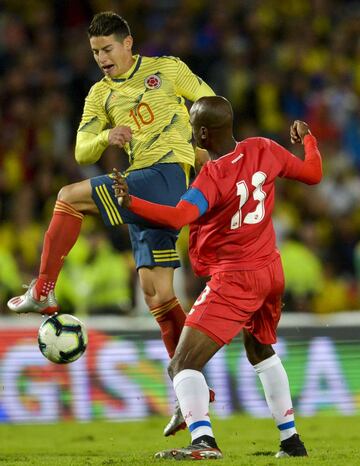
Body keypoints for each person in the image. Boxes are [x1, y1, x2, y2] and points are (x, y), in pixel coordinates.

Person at [7, 11, 215, 434]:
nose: (101, 57)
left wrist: (203, 148)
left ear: (128, 44)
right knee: (156, 294)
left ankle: (43, 290)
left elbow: (210, 105)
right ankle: (189, 390)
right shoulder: (99, 95)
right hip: (140, 187)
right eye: (95, 52)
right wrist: (107, 136)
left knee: (68, 198)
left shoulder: (166, 69)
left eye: (107, 49)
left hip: (167, 176)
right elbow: (83, 149)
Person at [112, 96, 322, 460]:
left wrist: (132, 204)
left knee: (181, 363)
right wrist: (308, 139)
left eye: (193, 127)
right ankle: (291, 442)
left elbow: (179, 217)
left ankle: (203, 443)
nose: (191, 133)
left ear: (204, 134)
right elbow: (313, 174)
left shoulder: (212, 176)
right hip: (270, 270)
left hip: (235, 278)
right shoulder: (264, 148)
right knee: (260, 350)